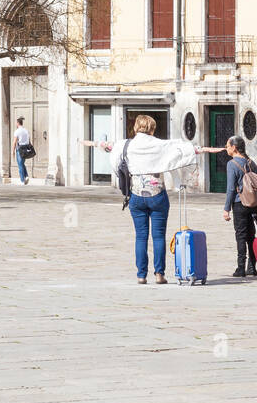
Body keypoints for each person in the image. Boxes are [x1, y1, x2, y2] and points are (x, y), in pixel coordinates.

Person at [81, 116, 223, 284]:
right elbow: (184, 149)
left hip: (136, 195)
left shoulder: (126, 145)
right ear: (152, 129)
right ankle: (159, 274)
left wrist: (90, 143)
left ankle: (141, 275)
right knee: (158, 236)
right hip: (157, 195)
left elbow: (108, 146)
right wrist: (207, 149)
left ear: (136, 127)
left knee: (140, 236)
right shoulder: (160, 145)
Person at [223, 135, 257, 277]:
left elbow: (230, 188)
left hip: (239, 203)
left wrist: (226, 209)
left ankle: (240, 268)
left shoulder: (232, 164)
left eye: (227, 146)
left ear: (234, 148)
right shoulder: (252, 163)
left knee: (240, 235)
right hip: (253, 204)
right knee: (251, 236)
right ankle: (252, 267)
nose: (226, 148)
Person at [13, 116, 31, 185]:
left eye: (16, 123)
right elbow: (29, 140)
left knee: (20, 164)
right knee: (22, 163)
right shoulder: (26, 130)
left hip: (20, 149)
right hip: (25, 148)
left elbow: (14, 142)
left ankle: (22, 180)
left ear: (18, 123)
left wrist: (13, 151)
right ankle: (26, 176)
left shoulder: (17, 131)